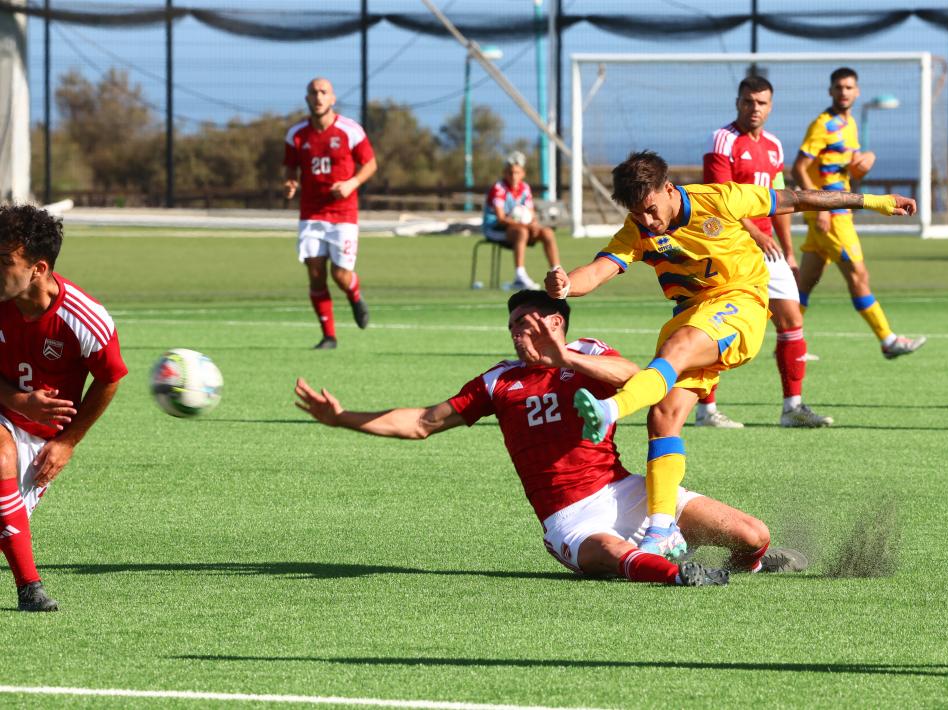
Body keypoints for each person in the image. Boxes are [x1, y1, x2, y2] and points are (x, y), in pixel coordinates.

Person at [294, 290, 807, 585]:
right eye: (513, 325)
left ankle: (749, 567)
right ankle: (680, 575)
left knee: (752, 536)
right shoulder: (498, 382)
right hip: (569, 517)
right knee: (609, 554)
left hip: (628, 492)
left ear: (557, 323)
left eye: (528, 322)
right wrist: (342, 418)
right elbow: (423, 422)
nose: (519, 333)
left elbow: (640, 379)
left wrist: (566, 357)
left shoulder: (586, 353)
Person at [544, 150, 914, 559]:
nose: (647, 221)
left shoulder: (719, 198)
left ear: (669, 189)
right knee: (663, 417)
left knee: (678, 345)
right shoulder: (637, 230)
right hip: (694, 315)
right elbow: (598, 270)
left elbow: (798, 198)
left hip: (741, 304)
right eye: (638, 213)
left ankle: (611, 410)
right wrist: (564, 285)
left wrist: (874, 201)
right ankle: (661, 531)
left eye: (651, 210)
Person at [0, 205, 128, 611]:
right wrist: (19, 401)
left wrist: (68, 442)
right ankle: (29, 589)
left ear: (37, 269)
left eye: (4, 262)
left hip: (40, 442)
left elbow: (110, 378)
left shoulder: (86, 319)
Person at [697, 74, 833, 429]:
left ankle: (792, 408)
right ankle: (706, 411)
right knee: (718, 325)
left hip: (768, 246)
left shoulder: (773, 145)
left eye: (761, 103)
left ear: (770, 107)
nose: (753, 109)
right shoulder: (723, 140)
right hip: (730, 245)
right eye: (747, 102)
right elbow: (719, 198)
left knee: (791, 320)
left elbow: (779, 202)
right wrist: (756, 232)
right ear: (737, 102)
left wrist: (788, 251)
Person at [792, 67, 926, 360]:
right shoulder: (822, 125)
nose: (844, 92)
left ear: (857, 91)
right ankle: (887, 339)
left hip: (834, 213)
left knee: (806, 282)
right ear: (830, 91)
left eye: (849, 87)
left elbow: (847, 168)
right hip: (831, 215)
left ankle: (788, 343)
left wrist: (866, 160)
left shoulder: (849, 124)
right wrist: (818, 206)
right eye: (839, 87)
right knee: (858, 275)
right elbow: (799, 167)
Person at [284, 77, 377, 350]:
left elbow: (370, 164)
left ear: (332, 98)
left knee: (340, 274)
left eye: (323, 92)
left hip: (343, 213)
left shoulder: (350, 131)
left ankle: (354, 294)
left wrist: (351, 183)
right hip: (311, 213)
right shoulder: (296, 135)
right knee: (315, 272)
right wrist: (290, 183)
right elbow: (290, 168)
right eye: (313, 92)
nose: (318, 97)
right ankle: (329, 336)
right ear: (307, 99)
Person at [483, 152, 561, 290]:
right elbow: (501, 219)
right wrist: (526, 225)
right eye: (510, 173)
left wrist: (534, 224)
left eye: (517, 173)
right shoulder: (499, 188)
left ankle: (558, 274)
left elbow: (530, 212)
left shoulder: (525, 188)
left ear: (523, 173)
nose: (513, 176)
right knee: (522, 232)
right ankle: (519, 277)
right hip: (495, 229)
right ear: (505, 173)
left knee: (547, 232)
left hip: (521, 227)